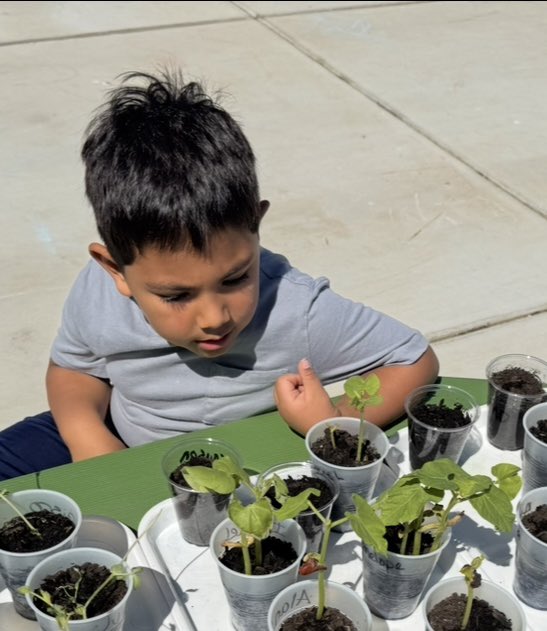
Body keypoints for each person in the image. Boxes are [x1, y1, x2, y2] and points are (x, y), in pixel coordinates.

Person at [0, 69, 438, 481]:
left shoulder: (296, 306)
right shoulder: (98, 295)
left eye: (234, 279)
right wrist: (86, 436)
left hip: (242, 466)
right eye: (175, 296)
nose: (213, 317)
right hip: (121, 434)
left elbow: (413, 359)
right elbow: (73, 368)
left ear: (256, 227)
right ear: (115, 269)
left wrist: (330, 423)